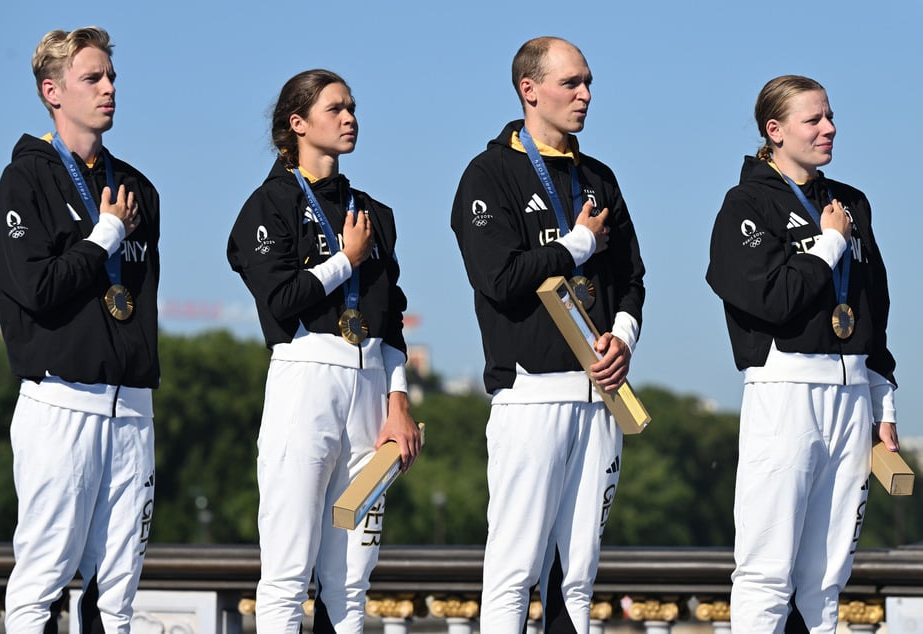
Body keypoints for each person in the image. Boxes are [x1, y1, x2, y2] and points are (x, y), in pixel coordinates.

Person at [450, 37, 646, 633]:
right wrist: (577, 244)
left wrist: (623, 338)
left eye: (588, 82)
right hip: (531, 394)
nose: (585, 95)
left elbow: (632, 278)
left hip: (601, 397)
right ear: (529, 90)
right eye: (571, 83)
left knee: (579, 577)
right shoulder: (489, 174)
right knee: (514, 572)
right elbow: (499, 279)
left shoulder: (599, 178)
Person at [227, 69, 422, 633]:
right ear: (297, 123)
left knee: (353, 577)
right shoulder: (267, 205)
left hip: (369, 392)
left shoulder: (374, 212)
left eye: (352, 107)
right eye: (335, 109)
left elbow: (390, 320)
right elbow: (282, 299)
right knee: (288, 573)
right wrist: (346, 261)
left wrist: (398, 402)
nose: (349, 118)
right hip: (304, 379)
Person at [706, 75, 899, 632]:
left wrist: (882, 404)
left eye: (830, 116)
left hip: (853, 393)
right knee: (767, 569)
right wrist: (830, 242)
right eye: (813, 119)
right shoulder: (745, 204)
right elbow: (771, 298)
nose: (829, 128)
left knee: (828, 574)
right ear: (775, 130)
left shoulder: (852, 201)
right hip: (785, 390)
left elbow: (874, 308)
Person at [0, 26, 160, 633]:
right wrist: (104, 235)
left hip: (132, 406)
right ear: (52, 91)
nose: (109, 88)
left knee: (118, 593)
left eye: (111, 76)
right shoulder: (22, 185)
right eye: (93, 78)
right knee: (41, 581)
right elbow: (36, 292)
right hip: (60, 402)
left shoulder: (139, 189)